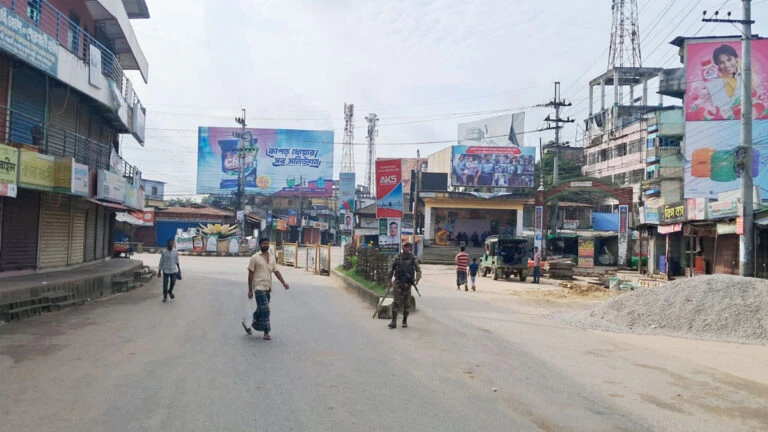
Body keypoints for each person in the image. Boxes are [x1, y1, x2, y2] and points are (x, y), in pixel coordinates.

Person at [245, 238, 290, 340]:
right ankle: (266, 332)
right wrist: (250, 290)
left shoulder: (272, 258)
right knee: (266, 309)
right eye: (264, 243)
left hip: (268, 287)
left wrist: (283, 283)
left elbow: (276, 271)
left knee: (261, 309)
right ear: (260, 245)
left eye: (267, 243)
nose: (266, 245)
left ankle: (247, 323)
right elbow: (250, 274)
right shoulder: (254, 258)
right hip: (258, 287)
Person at [386, 241, 422, 329]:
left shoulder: (413, 258)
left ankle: (404, 320)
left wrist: (417, 278)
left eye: (408, 247)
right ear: (402, 247)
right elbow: (391, 269)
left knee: (406, 303)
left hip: (407, 284)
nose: (406, 248)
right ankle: (393, 321)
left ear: (409, 248)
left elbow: (418, 269)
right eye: (405, 247)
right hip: (398, 282)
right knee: (396, 302)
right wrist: (389, 280)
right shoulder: (397, 257)